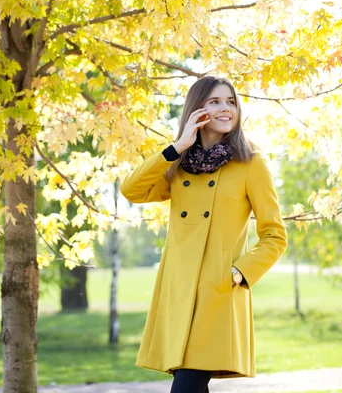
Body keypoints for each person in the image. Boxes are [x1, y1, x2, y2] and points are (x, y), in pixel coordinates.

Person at [120, 76, 288, 393]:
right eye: (215, 102)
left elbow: (275, 235)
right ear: (197, 110)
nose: (226, 109)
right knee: (191, 385)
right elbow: (132, 190)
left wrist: (240, 272)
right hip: (180, 291)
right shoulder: (179, 164)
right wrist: (177, 147)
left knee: (186, 385)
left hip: (218, 292)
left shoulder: (251, 162)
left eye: (230, 102)